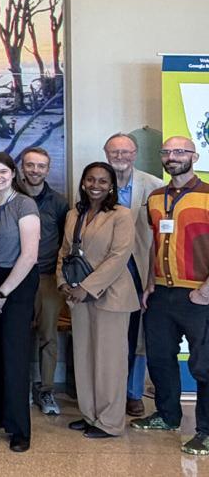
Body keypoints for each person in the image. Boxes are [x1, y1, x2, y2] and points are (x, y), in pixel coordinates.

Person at [132, 136, 209, 455]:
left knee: (204, 365)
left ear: (194, 155)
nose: (172, 156)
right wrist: (150, 283)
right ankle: (168, 415)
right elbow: (154, 244)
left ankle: (205, 430)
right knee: (160, 357)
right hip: (162, 293)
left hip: (199, 294)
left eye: (179, 151)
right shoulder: (155, 197)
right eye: (166, 152)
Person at [57, 162, 135, 439]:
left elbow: (118, 257)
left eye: (103, 181)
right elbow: (65, 252)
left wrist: (87, 288)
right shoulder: (73, 214)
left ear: (111, 185)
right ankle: (90, 415)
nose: (96, 185)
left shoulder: (121, 215)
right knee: (84, 357)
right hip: (77, 297)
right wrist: (63, 283)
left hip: (110, 297)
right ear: (83, 183)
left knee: (109, 362)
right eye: (91, 180)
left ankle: (110, 422)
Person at [0, 153, 40, 452]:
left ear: (13, 174)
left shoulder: (24, 205)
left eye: (3, 171)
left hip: (17, 282)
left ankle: (19, 428)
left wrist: (2, 293)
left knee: (14, 355)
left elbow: (29, 255)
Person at [103, 133, 162, 417]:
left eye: (126, 152)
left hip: (138, 270)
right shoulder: (96, 184)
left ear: (135, 154)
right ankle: (107, 393)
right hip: (104, 272)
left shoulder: (154, 187)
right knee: (109, 335)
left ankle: (133, 393)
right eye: (115, 152)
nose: (121, 157)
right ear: (106, 154)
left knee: (136, 335)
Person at [18, 147, 69, 416]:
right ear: (22, 167)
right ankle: (22, 386)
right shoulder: (11, 197)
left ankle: (46, 389)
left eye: (41, 166)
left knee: (48, 336)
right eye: (30, 165)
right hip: (16, 279)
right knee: (19, 335)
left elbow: (67, 241)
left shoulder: (59, 203)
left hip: (48, 277)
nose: (35, 170)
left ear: (47, 169)